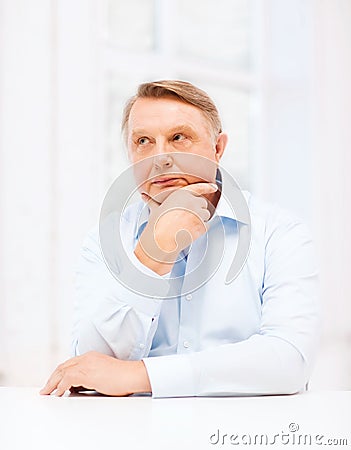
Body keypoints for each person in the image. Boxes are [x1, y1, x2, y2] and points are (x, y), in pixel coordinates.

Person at [40, 80, 319, 398]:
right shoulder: (103, 240)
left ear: (217, 149)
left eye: (178, 138)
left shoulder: (279, 234)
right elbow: (90, 366)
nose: (160, 158)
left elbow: (289, 361)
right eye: (143, 140)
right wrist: (151, 254)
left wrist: (140, 376)